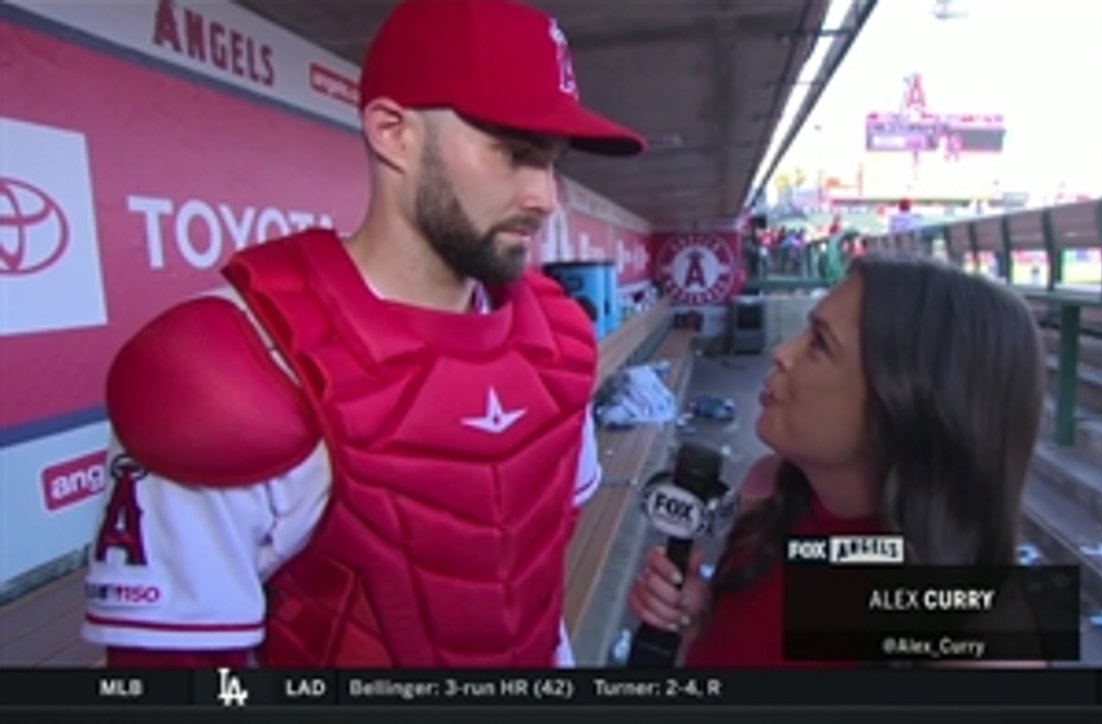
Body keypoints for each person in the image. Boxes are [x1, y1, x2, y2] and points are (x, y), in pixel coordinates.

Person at [83, 0, 644, 668]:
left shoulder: (556, 340)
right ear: (391, 132)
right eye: (514, 153)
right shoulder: (238, 361)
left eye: (551, 161)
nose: (546, 197)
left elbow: (527, 578)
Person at [628, 254, 1047, 667]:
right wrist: (705, 622)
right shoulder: (766, 491)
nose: (781, 352)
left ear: (905, 402)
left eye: (820, 344)